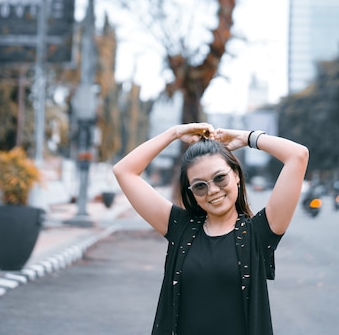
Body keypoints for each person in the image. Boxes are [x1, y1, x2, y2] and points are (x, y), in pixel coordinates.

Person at [113, 122, 309, 335]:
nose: (212, 190)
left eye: (220, 177)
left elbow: (298, 155)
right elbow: (124, 171)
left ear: (236, 175)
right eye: (200, 185)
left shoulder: (258, 233)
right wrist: (174, 133)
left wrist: (246, 138)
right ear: (191, 192)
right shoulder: (181, 228)